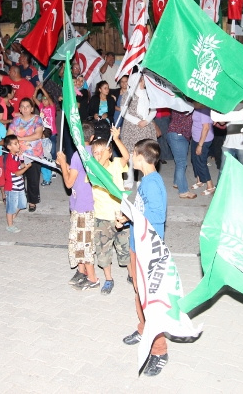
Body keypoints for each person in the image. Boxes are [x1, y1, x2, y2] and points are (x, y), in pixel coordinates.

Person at [120, 139, 169, 377]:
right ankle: (143, 329)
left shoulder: (152, 184)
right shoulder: (146, 180)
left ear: (141, 157)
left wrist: (131, 215)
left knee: (150, 300)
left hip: (147, 246)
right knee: (139, 293)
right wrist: (126, 218)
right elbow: (142, 210)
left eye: (133, 153)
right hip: (137, 244)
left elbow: (157, 216)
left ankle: (160, 351)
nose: (131, 157)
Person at [89, 129, 130, 294]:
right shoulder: (92, 171)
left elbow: (126, 156)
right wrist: (101, 159)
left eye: (102, 151)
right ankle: (108, 279)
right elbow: (96, 174)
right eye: (95, 152)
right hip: (102, 218)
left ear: (109, 152)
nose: (99, 154)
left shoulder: (116, 165)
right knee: (103, 251)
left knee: (125, 248)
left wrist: (117, 139)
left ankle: (131, 274)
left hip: (120, 216)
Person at [56, 123, 97, 286]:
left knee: (84, 242)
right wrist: (65, 165)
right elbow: (77, 172)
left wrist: (63, 163)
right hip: (84, 202)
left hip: (83, 205)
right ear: (92, 138)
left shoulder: (77, 154)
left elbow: (68, 183)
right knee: (78, 240)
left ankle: (92, 279)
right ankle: (81, 271)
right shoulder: (93, 152)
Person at [7, 97, 44, 212]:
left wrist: (20, 138)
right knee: (18, 178)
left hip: (34, 154)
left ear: (32, 108)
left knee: (33, 179)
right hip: (18, 153)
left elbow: (38, 135)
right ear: (19, 108)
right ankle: (20, 200)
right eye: (22, 106)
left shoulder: (37, 119)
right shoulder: (16, 120)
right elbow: (9, 135)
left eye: (27, 106)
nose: (25, 109)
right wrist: (16, 147)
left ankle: (32, 201)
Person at [119, 76, 157, 188]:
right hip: (131, 129)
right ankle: (129, 180)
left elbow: (154, 110)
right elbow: (124, 112)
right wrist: (137, 121)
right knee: (130, 156)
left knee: (144, 155)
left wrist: (146, 121)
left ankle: (142, 180)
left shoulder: (149, 94)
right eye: (142, 80)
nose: (144, 82)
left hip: (146, 128)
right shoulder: (128, 94)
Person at [2, 134, 30, 233]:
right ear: (9, 147)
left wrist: (23, 162)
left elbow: (19, 166)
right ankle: (10, 225)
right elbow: (17, 173)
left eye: (17, 143)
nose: (18, 145)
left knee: (22, 204)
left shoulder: (15, 156)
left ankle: (13, 216)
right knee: (11, 207)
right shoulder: (10, 159)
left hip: (19, 185)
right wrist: (26, 167)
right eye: (15, 144)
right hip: (12, 187)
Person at [190, 103, 216, 196]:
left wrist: (200, 145)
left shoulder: (204, 110)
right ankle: (200, 180)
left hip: (203, 140)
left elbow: (206, 128)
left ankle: (210, 185)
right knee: (194, 160)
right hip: (195, 138)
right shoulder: (197, 108)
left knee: (201, 162)